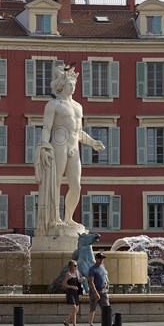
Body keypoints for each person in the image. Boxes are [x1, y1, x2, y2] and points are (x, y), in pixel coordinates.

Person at [35, 63, 105, 235]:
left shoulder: (78, 106)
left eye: (74, 84)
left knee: (76, 186)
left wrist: (92, 141)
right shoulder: (53, 105)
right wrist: (44, 146)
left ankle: (68, 218)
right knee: (55, 183)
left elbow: (78, 131)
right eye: (70, 84)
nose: (73, 87)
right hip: (59, 144)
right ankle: (55, 219)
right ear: (62, 85)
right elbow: (46, 129)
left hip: (74, 147)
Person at [87, 252, 110, 326]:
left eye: (102, 258)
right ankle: (90, 324)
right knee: (93, 308)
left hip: (103, 290)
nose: (102, 260)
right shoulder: (92, 269)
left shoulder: (102, 267)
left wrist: (106, 282)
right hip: (95, 291)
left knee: (106, 307)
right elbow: (91, 282)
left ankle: (110, 322)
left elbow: (105, 276)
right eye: (100, 258)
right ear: (96, 259)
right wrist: (95, 292)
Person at [61, 260, 85, 326]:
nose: (76, 267)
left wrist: (82, 279)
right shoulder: (68, 274)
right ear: (71, 266)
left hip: (76, 293)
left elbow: (79, 280)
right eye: (75, 265)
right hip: (70, 292)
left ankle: (67, 322)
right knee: (74, 308)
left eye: (77, 265)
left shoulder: (77, 272)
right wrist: (72, 287)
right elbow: (63, 285)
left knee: (76, 310)